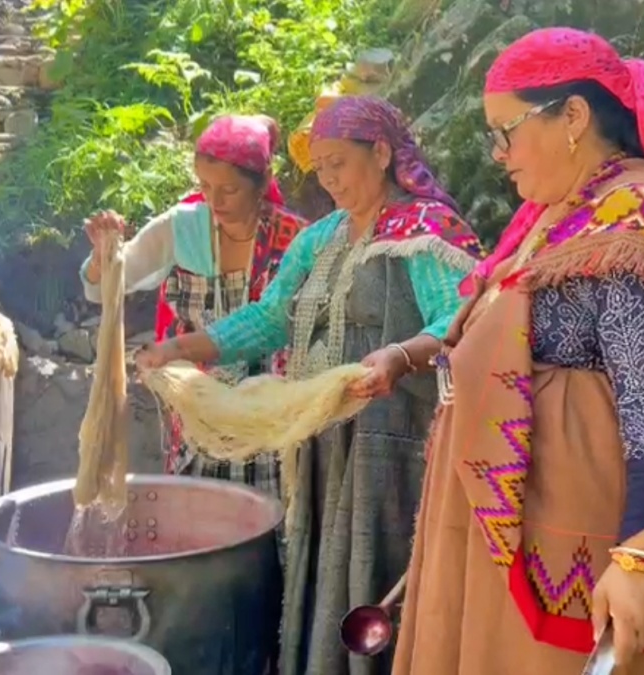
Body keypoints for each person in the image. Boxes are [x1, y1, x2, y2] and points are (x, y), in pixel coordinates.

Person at [392, 28, 644, 675]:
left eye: (506, 131)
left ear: (572, 115)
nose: (499, 154)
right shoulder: (562, 213)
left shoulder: (638, 216)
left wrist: (640, 561)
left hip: (570, 535)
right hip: (516, 518)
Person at [134, 95, 484, 675]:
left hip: (392, 446)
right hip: (323, 444)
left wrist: (399, 357)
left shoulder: (426, 232)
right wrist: (178, 349)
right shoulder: (321, 239)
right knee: (326, 575)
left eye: (338, 163)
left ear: (381, 153)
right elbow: (270, 319)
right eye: (320, 168)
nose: (329, 180)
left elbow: (459, 321)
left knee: (380, 575)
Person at [80, 114, 307, 496]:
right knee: (198, 511)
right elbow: (106, 288)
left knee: (272, 513)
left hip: (273, 419)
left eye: (229, 190)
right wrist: (103, 256)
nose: (214, 201)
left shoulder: (297, 239)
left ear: (264, 181)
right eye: (205, 185)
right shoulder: (182, 228)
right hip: (196, 417)